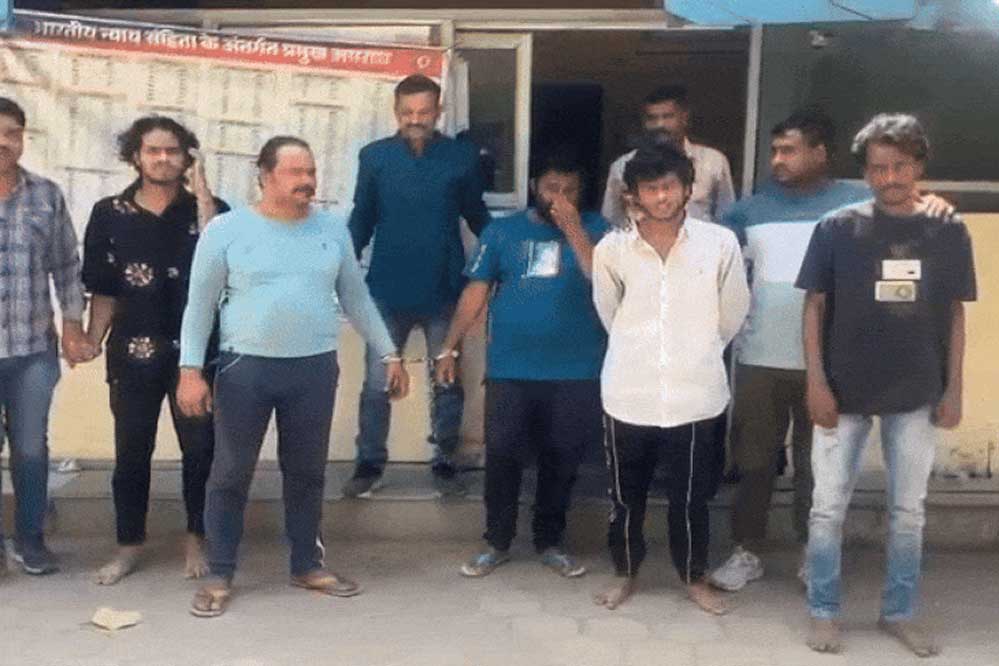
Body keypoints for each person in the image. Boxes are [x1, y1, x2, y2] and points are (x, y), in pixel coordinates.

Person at [710, 109, 958, 593]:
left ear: (820, 153)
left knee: (818, 467)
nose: (777, 160)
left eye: (789, 150)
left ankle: (813, 553)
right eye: (774, 150)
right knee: (754, 461)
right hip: (760, 358)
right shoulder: (747, 212)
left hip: (832, 362)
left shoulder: (856, 204)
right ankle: (746, 551)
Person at [176, 136, 409, 618]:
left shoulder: (332, 230)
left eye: (311, 172)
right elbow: (199, 306)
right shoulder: (226, 230)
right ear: (265, 176)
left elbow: (356, 297)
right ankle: (220, 572)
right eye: (295, 172)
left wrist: (389, 353)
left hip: (313, 369)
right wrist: (190, 371)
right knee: (230, 472)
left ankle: (307, 564)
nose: (307, 181)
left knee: (306, 472)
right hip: (245, 368)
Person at [797, 114, 975, 657]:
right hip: (842, 389)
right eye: (877, 168)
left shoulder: (947, 229)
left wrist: (954, 389)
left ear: (919, 165)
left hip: (917, 389)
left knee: (908, 512)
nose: (889, 177)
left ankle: (899, 612)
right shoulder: (835, 227)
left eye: (900, 166)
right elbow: (814, 306)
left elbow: (954, 313)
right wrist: (816, 382)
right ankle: (823, 611)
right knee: (827, 508)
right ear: (865, 172)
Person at [591, 144, 749, 614]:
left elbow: (733, 312)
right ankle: (625, 572)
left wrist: (697, 351)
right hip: (629, 392)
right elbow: (609, 312)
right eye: (651, 188)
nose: (661, 197)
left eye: (669, 187)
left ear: (687, 189)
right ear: (634, 194)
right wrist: (642, 350)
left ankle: (694, 577)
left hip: (696, 394)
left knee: (692, 498)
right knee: (626, 497)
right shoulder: (613, 249)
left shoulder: (718, 244)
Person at [434, 151, 608, 579]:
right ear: (534, 187)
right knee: (503, 456)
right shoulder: (503, 231)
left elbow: (603, 280)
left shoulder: (600, 230)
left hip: (576, 369)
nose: (559, 198)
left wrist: (573, 228)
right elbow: (476, 291)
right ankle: (496, 541)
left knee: (562, 458)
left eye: (569, 190)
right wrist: (449, 347)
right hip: (511, 368)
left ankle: (551, 541)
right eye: (551, 188)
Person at [82, 116, 228, 585]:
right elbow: (104, 288)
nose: (163, 159)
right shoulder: (109, 213)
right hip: (133, 352)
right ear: (136, 156)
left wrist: (204, 197)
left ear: (188, 157)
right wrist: (91, 339)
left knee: (201, 450)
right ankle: (128, 546)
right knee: (131, 451)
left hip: (197, 357)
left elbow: (225, 266)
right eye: (153, 150)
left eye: (173, 151)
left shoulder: (213, 211)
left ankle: (197, 538)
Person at [345, 74, 491, 498]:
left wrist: (506, 253)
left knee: (447, 382)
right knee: (377, 383)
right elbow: (361, 217)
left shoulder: (462, 158)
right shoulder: (374, 157)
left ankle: (445, 461)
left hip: (445, 288)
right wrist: (339, 265)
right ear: (396, 112)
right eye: (407, 112)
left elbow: (476, 214)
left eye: (424, 112)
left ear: (438, 112)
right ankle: (369, 464)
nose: (415, 120)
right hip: (385, 289)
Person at [0, 97, 91, 576]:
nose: (3, 142)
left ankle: (30, 539)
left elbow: (66, 266)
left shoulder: (46, 196)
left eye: (11, 133)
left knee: (32, 448)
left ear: (22, 138)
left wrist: (73, 325)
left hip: (32, 350)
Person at [601, 84, 735, 226]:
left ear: (684, 117)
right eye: (652, 118)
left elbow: (728, 216)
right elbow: (612, 219)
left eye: (668, 116)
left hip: (703, 239)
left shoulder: (714, 161)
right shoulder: (622, 166)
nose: (660, 124)